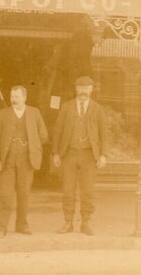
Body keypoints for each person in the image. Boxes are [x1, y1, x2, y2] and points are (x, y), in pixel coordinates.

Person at [51, 76, 109, 235]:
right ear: (76, 89)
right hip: (68, 154)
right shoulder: (66, 107)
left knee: (87, 190)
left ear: (91, 89)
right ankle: (68, 222)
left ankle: (85, 223)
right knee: (68, 190)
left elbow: (104, 133)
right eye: (80, 87)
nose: (83, 90)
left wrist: (103, 154)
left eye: (87, 87)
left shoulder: (98, 109)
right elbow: (58, 130)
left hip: (89, 156)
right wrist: (56, 152)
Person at [0, 85, 49, 239]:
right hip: (7, 160)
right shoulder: (3, 114)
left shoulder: (34, 113)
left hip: (26, 160)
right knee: (5, 195)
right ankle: (1, 227)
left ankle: (22, 225)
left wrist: (33, 148)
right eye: (12, 96)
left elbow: (43, 135)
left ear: (24, 97)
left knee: (24, 194)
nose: (13, 99)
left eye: (16, 96)